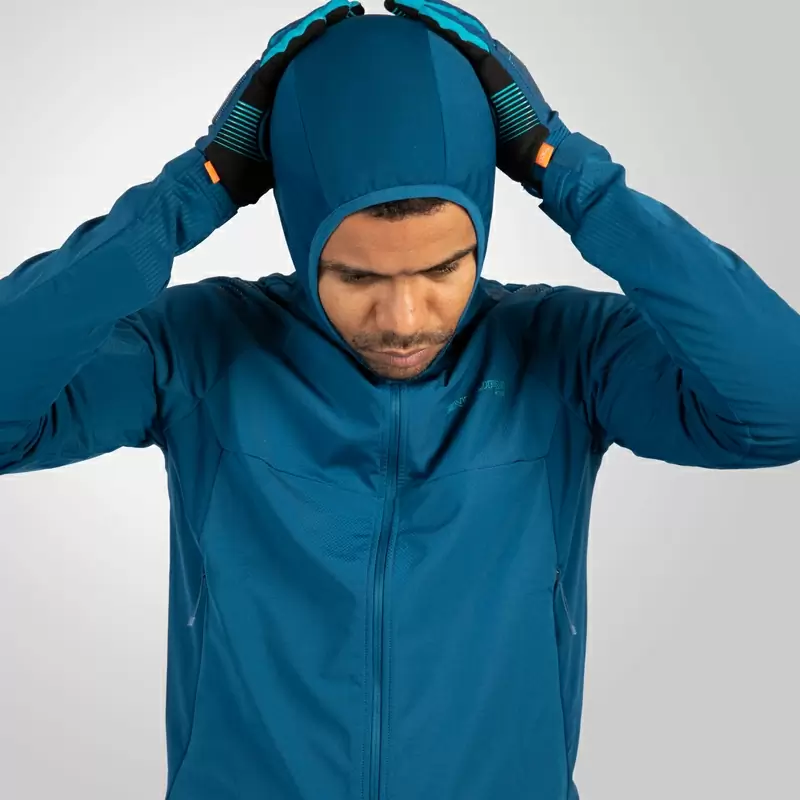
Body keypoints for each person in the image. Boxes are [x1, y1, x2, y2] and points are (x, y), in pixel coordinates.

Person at [1, 1, 798, 798]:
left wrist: (569, 174)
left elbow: (780, 409)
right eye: (357, 277)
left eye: (443, 269)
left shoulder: (566, 351)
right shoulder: (201, 348)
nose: (405, 320)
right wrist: (193, 192)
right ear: (301, 237)